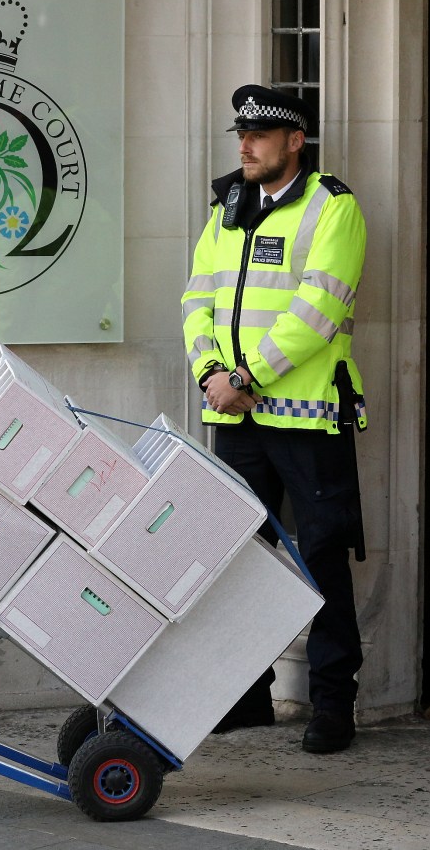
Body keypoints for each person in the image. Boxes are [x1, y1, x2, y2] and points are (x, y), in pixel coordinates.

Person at [181, 85, 367, 754]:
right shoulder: (227, 206)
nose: (245, 145)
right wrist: (208, 372)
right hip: (233, 416)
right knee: (238, 557)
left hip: (306, 417)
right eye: (241, 134)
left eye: (259, 135)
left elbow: (316, 312)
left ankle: (332, 702)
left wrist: (244, 377)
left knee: (318, 556)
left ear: (295, 141)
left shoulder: (332, 208)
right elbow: (195, 297)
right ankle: (245, 696)